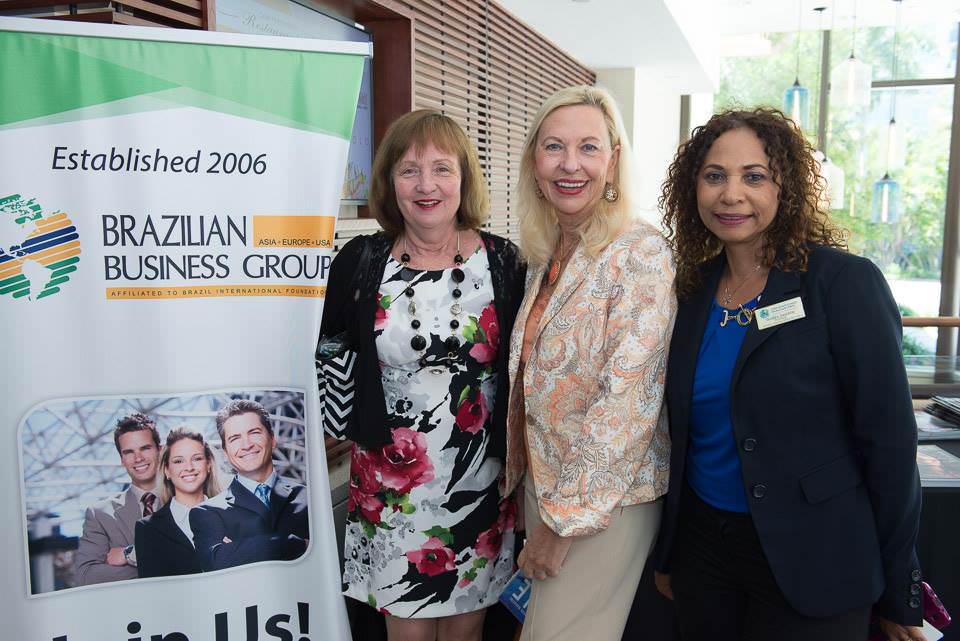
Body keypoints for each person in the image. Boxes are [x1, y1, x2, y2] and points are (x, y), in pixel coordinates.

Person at [652, 107, 924, 641]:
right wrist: (670, 553)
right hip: (703, 556)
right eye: (714, 176)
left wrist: (900, 589)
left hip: (815, 557)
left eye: (754, 176)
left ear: (786, 189)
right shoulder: (689, 291)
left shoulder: (841, 283)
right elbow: (680, 437)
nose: (731, 194)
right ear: (693, 189)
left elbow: (890, 446)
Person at [322, 109, 525, 641]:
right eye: (409, 170)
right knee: (406, 635)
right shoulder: (360, 261)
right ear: (390, 182)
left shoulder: (504, 263)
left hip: (479, 484)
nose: (426, 185)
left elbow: (527, 374)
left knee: (466, 631)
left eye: (441, 168)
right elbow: (329, 351)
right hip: (390, 487)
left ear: (464, 178)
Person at [503, 85, 676, 641]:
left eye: (588, 147)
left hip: (604, 501)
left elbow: (626, 403)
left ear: (613, 160)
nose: (570, 164)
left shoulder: (641, 253)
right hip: (546, 487)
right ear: (534, 161)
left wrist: (562, 524)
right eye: (554, 147)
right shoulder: (546, 252)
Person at [189, 399, 309, 571]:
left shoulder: (308, 497)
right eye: (235, 438)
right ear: (225, 452)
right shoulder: (207, 513)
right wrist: (297, 544)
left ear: (272, 439)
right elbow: (217, 562)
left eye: (254, 433)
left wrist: (239, 548)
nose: (246, 445)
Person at [75, 412, 161, 585]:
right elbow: (86, 575)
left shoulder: (186, 499)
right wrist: (163, 565)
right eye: (129, 452)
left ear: (160, 450)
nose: (138, 458)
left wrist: (132, 555)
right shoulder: (100, 515)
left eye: (145, 448)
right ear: (122, 459)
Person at [135, 426, 222, 578]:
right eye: (178, 461)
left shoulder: (232, 515)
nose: (189, 467)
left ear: (208, 465)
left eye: (197, 459)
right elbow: (151, 588)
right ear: (167, 470)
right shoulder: (148, 528)